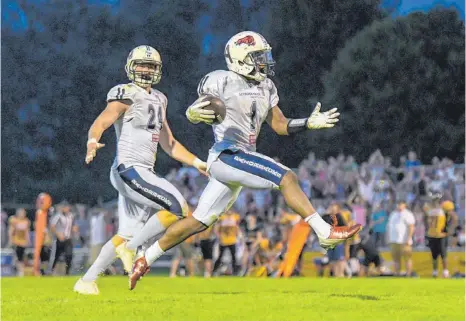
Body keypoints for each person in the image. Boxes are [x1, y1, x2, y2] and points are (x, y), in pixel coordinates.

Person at [129, 31, 361, 289]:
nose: (265, 61)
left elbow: (280, 125)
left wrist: (308, 123)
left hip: (239, 158)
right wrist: (193, 113)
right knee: (287, 177)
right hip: (227, 154)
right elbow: (201, 108)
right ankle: (324, 231)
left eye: (264, 55)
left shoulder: (266, 86)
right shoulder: (222, 80)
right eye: (258, 57)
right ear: (241, 59)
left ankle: (145, 257)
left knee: (198, 222)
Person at [74, 45, 207, 295]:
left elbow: (170, 144)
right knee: (178, 207)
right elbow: (102, 120)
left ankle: (87, 281)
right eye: (141, 65)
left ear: (158, 70)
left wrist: (198, 162)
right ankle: (133, 248)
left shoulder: (160, 98)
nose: (145, 70)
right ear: (130, 67)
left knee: (125, 233)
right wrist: (92, 140)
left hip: (143, 171)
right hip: (129, 168)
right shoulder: (125, 93)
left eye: (151, 66)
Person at [423, 194, 457, 278]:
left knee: (443, 254)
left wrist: (450, 229)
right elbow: (424, 218)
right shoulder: (429, 209)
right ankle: (435, 272)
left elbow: (454, 217)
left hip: (441, 235)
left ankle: (445, 272)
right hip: (432, 235)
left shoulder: (444, 209)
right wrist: (427, 228)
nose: (435, 202)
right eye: (434, 200)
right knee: (434, 255)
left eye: (437, 200)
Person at [50, 201, 79, 275]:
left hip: (68, 239)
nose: (66, 209)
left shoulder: (71, 216)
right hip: (60, 239)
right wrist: (58, 234)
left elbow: (73, 226)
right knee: (56, 256)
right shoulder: (58, 216)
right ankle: (51, 270)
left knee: (69, 255)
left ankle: (67, 272)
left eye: (67, 207)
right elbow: (52, 226)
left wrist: (75, 229)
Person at [387, 200, 415, 276]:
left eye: (401, 204)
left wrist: (409, 238)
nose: (399, 206)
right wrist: (389, 238)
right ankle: (397, 273)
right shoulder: (393, 214)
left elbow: (411, 227)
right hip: (394, 240)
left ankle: (408, 274)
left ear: (404, 205)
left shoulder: (408, 214)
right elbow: (390, 227)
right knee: (395, 258)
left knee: (407, 258)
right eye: (398, 204)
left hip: (404, 240)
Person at [212, 209, 241, 275]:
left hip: (232, 240)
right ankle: (214, 271)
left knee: (234, 257)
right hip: (223, 240)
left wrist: (238, 235)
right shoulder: (222, 217)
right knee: (220, 257)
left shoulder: (235, 217)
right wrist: (218, 236)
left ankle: (235, 272)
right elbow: (216, 227)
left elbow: (237, 226)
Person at [8, 208, 31, 276]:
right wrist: (10, 240)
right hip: (16, 241)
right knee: (18, 257)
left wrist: (28, 240)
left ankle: (20, 271)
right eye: (21, 213)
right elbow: (11, 230)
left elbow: (27, 231)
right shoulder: (14, 220)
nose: (23, 214)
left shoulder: (26, 221)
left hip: (23, 242)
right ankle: (20, 271)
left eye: (24, 213)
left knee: (22, 257)